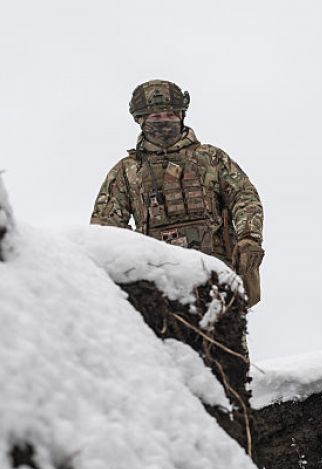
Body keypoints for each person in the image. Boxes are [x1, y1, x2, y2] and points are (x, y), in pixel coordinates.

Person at [91, 79, 264, 306]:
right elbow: (105, 229)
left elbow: (244, 197)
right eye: (155, 117)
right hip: (159, 285)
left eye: (170, 115)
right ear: (140, 119)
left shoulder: (211, 158)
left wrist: (249, 238)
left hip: (217, 275)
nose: (164, 121)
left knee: (223, 340)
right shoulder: (126, 171)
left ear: (181, 115)